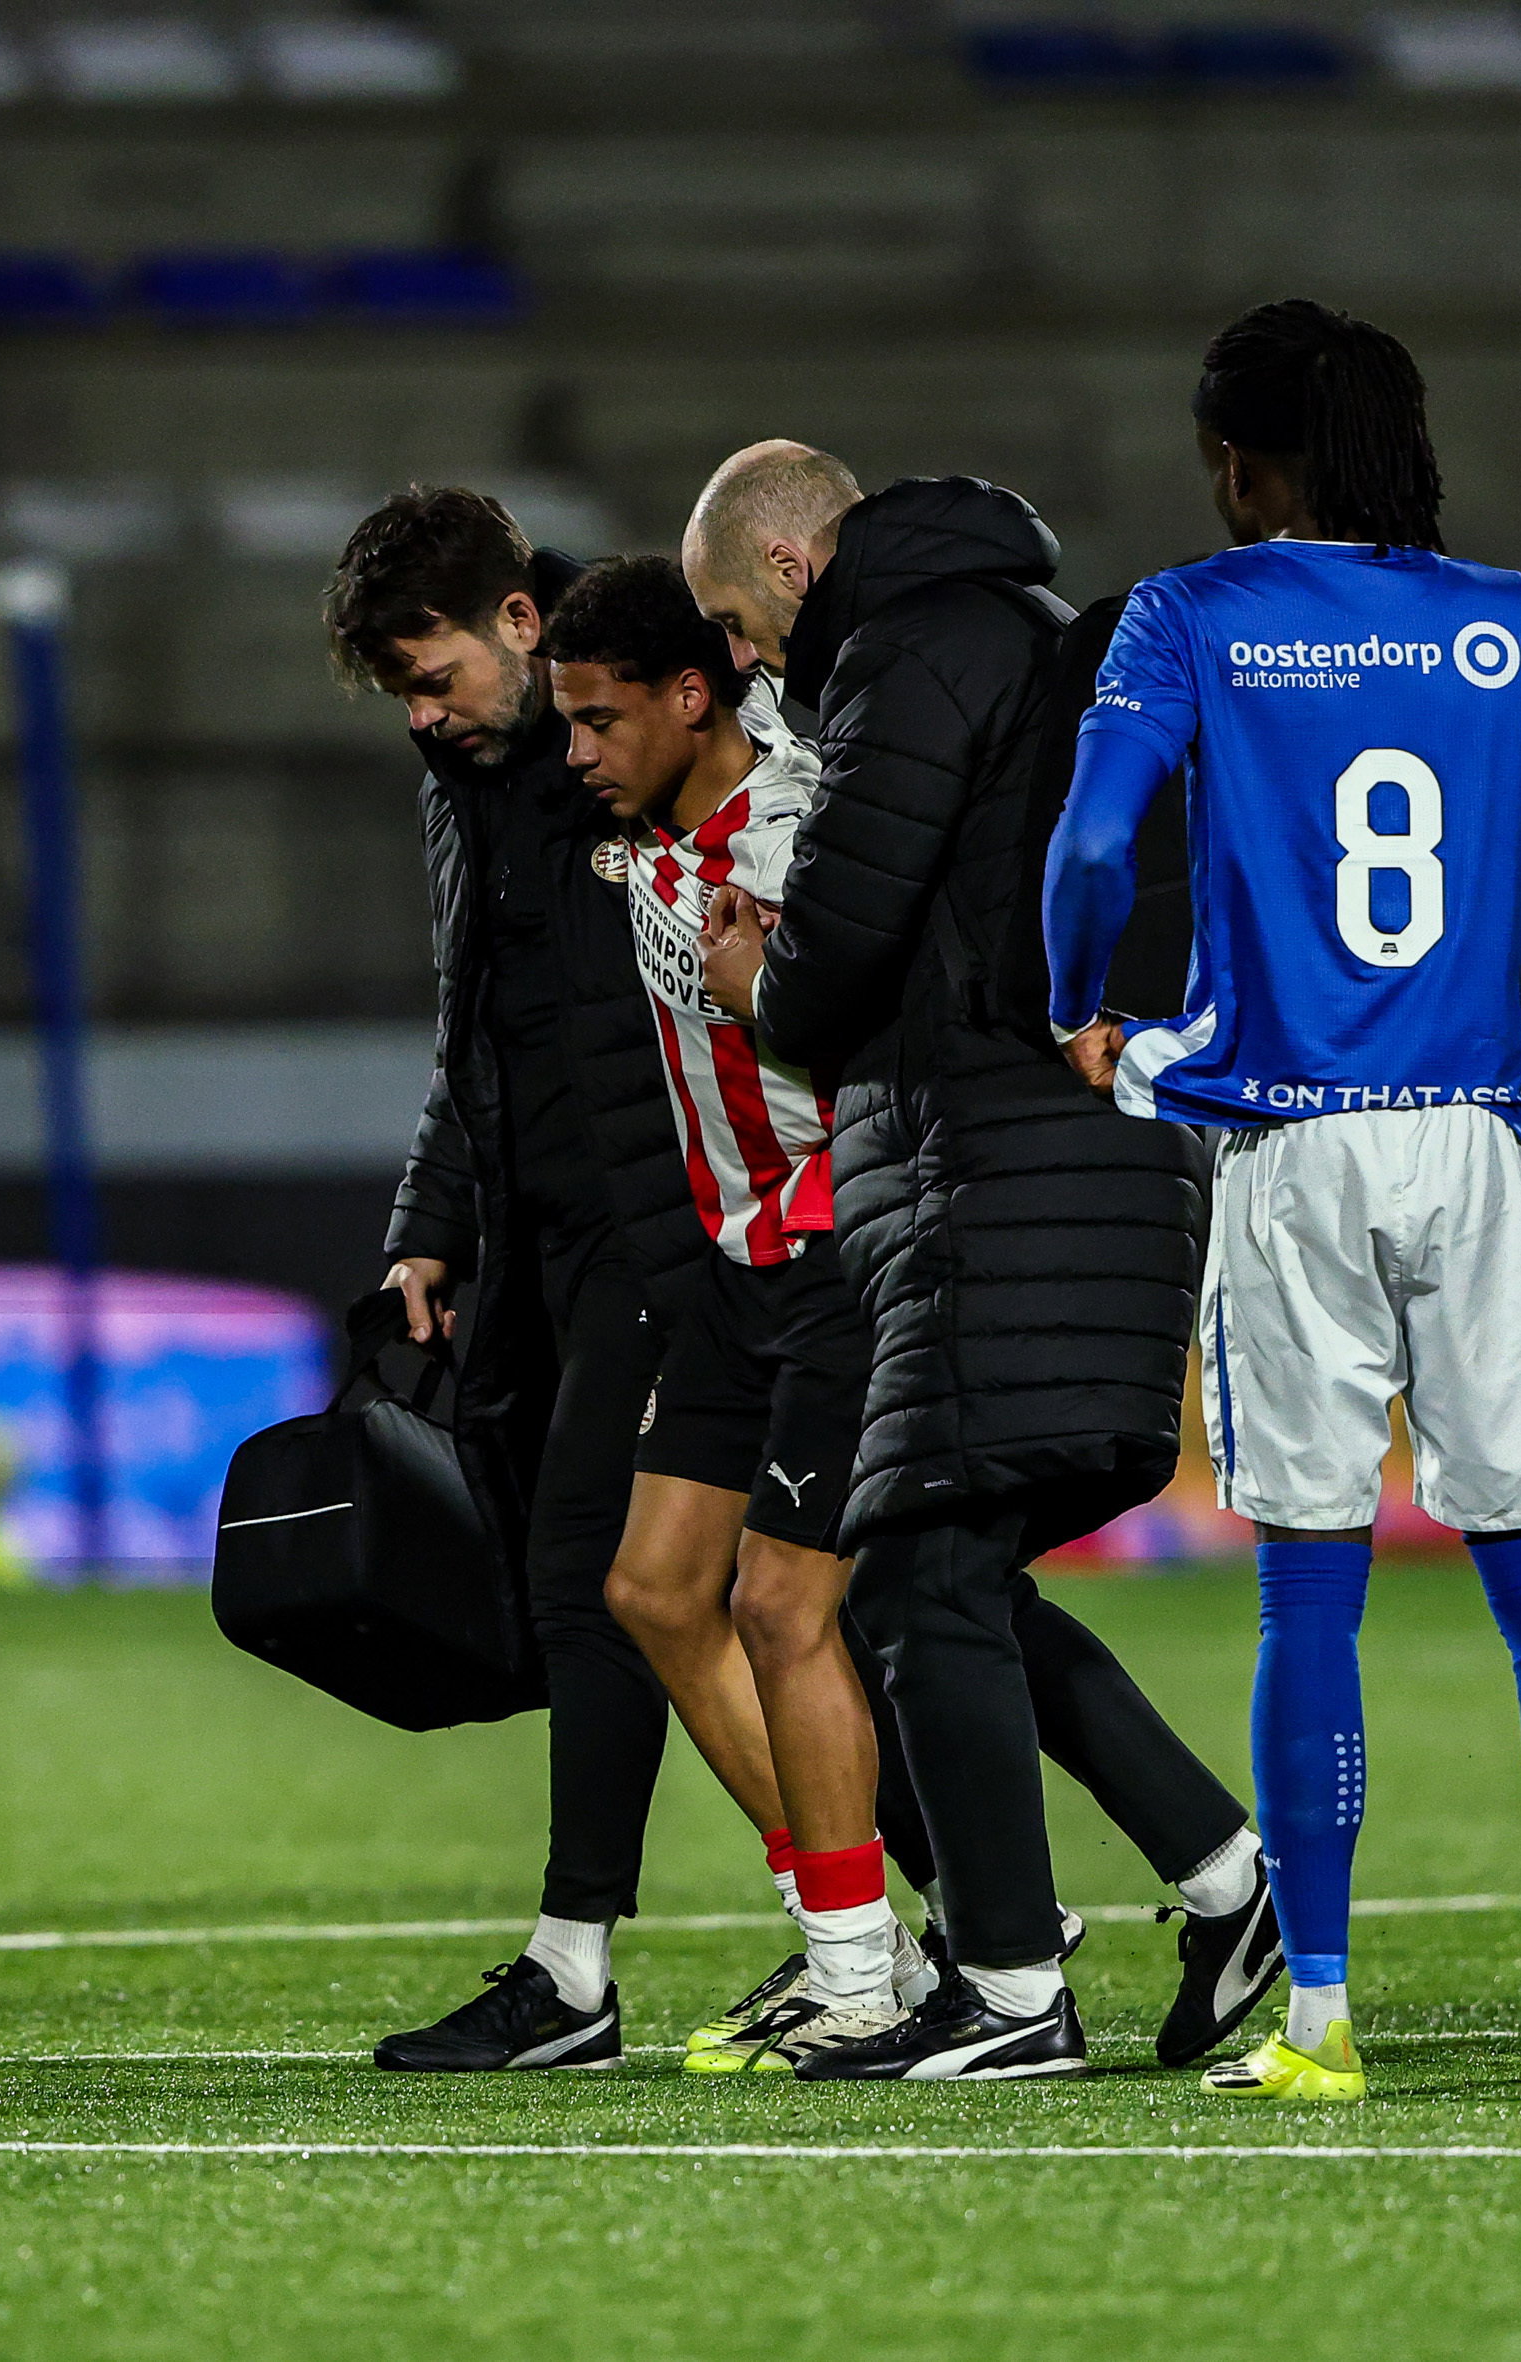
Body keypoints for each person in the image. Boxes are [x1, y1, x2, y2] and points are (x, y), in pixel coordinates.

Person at [1043, 299, 1521, 2103]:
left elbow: (1092, 848)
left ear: (1243, 461)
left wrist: (1081, 1009)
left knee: (1308, 1596)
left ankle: (1318, 2018)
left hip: (1291, 1143)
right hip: (1473, 1134)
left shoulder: (1189, 615)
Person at [684, 445, 1275, 2084]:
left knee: (921, 1573)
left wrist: (754, 977)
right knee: (945, 1574)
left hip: (1002, 1171)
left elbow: (836, 957)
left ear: (790, 568)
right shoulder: (1003, 633)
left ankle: (1012, 1986)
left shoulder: (914, 653)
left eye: (734, 617)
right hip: (1067, 1163)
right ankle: (1229, 1884)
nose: (739, 656)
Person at [327, 491, 729, 2072]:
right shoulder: (470, 776)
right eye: (401, 693)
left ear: (517, 621)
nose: (421, 717)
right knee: (757, 1597)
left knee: (609, 1578)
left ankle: (582, 1972)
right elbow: (479, 1030)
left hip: (673, 1227)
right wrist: (431, 1220)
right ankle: (1003, 1918)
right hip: (547, 1243)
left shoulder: (633, 720)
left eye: (431, 678)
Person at [543, 556, 916, 2072]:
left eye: (599, 719)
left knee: (787, 1606)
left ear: (689, 696)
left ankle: (864, 1970)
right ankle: (862, 1931)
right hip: (730, 1266)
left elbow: (864, 1015)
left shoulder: (795, 830)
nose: (578, 752)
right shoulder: (652, 839)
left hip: (830, 1249)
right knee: (652, 1591)